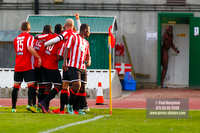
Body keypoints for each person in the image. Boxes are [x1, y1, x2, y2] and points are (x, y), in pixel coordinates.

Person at [11, 22, 42, 113]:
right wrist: (38, 57)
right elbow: (29, 48)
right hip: (27, 65)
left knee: (16, 86)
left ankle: (13, 108)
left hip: (18, 65)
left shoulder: (16, 39)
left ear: (21, 28)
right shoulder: (29, 37)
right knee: (31, 86)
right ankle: (29, 104)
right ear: (29, 29)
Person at [62, 23, 91, 115]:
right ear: (85, 30)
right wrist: (65, 62)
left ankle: (80, 109)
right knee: (76, 86)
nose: (90, 32)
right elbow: (66, 49)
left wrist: (89, 61)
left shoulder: (86, 42)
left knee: (82, 88)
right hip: (73, 66)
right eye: (89, 30)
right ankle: (70, 105)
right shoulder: (73, 37)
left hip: (83, 67)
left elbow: (88, 55)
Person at [37, 24, 65, 114]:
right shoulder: (61, 42)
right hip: (51, 66)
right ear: (62, 32)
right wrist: (65, 57)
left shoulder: (49, 36)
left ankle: (46, 108)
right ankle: (43, 102)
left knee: (47, 86)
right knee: (59, 85)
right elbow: (58, 57)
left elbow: (37, 37)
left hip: (43, 64)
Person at [34, 25, 54, 112]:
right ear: (51, 32)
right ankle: (45, 107)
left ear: (43, 30)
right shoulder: (48, 39)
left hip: (35, 65)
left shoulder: (37, 39)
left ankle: (38, 106)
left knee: (40, 86)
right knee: (48, 85)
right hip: (43, 65)